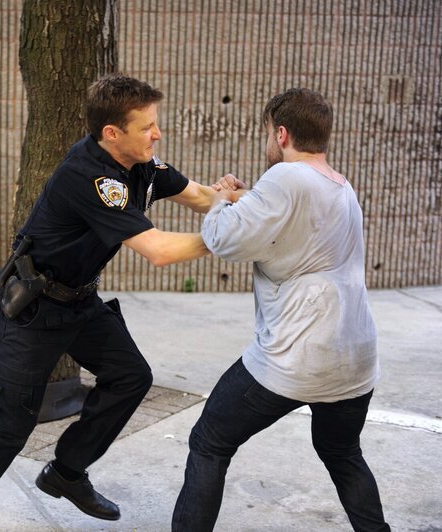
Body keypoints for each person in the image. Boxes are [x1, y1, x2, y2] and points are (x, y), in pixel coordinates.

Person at [0, 74, 243, 532]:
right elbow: (159, 251)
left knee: (129, 376)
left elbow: (202, 196)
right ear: (112, 133)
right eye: (147, 127)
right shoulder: (90, 177)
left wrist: (257, 203)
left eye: (155, 124)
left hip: (78, 302)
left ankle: (66, 472)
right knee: (8, 425)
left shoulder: (140, 164)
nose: (157, 134)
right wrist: (230, 235)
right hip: (31, 309)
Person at [171, 89, 390, 531]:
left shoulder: (286, 177)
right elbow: (288, 220)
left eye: (269, 132)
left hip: (296, 357)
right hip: (355, 357)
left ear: (282, 134)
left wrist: (220, 199)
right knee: (343, 453)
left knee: (209, 442)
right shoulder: (340, 186)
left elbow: (224, 239)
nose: (268, 141)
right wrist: (245, 197)